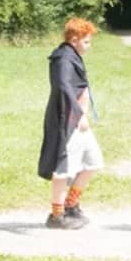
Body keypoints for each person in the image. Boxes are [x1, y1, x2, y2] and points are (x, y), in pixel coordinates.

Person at [36, 19, 102, 229]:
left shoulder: (71, 56)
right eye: (86, 41)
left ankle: (70, 205)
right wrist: (78, 114)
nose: (89, 46)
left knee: (93, 162)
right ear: (74, 39)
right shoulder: (63, 59)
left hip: (78, 121)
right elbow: (63, 87)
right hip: (68, 121)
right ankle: (57, 215)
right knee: (63, 169)